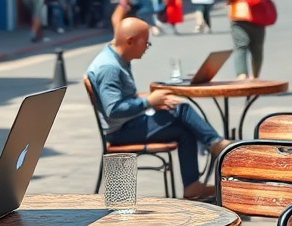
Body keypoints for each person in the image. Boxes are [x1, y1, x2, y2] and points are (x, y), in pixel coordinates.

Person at [86, 17, 230, 200]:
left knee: (184, 129)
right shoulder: (109, 68)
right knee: (181, 110)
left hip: (129, 123)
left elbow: (124, 99)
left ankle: (193, 186)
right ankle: (216, 144)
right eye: (146, 42)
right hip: (121, 131)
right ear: (130, 41)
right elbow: (113, 109)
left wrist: (154, 100)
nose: (147, 47)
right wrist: (149, 102)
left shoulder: (118, 58)